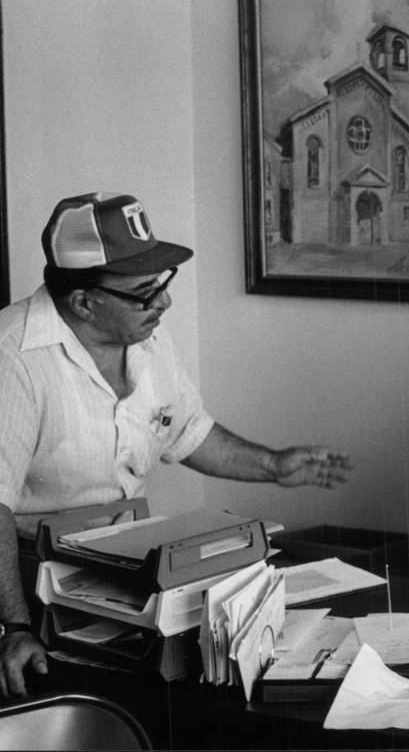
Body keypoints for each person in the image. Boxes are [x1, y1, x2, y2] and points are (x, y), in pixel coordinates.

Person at [0, 192, 352, 699]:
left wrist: (273, 465)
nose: (164, 302)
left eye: (163, 283)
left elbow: (187, 432)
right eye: (146, 291)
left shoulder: (147, 338)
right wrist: (13, 628)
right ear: (84, 302)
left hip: (118, 575)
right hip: (29, 586)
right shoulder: (15, 357)